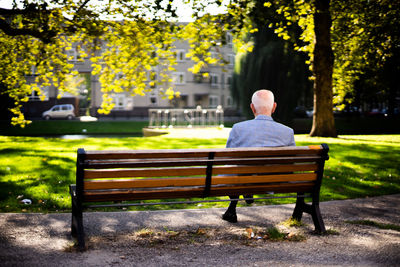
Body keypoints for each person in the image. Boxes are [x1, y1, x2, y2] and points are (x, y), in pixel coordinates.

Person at [222, 89, 296, 223]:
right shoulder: (288, 132)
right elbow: (290, 166)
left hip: (243, 178)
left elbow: (228, 157)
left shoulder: (238, 128)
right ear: (274, 107)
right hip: (275, 181)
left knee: (233, 169)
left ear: (252, 107)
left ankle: (235, 204)